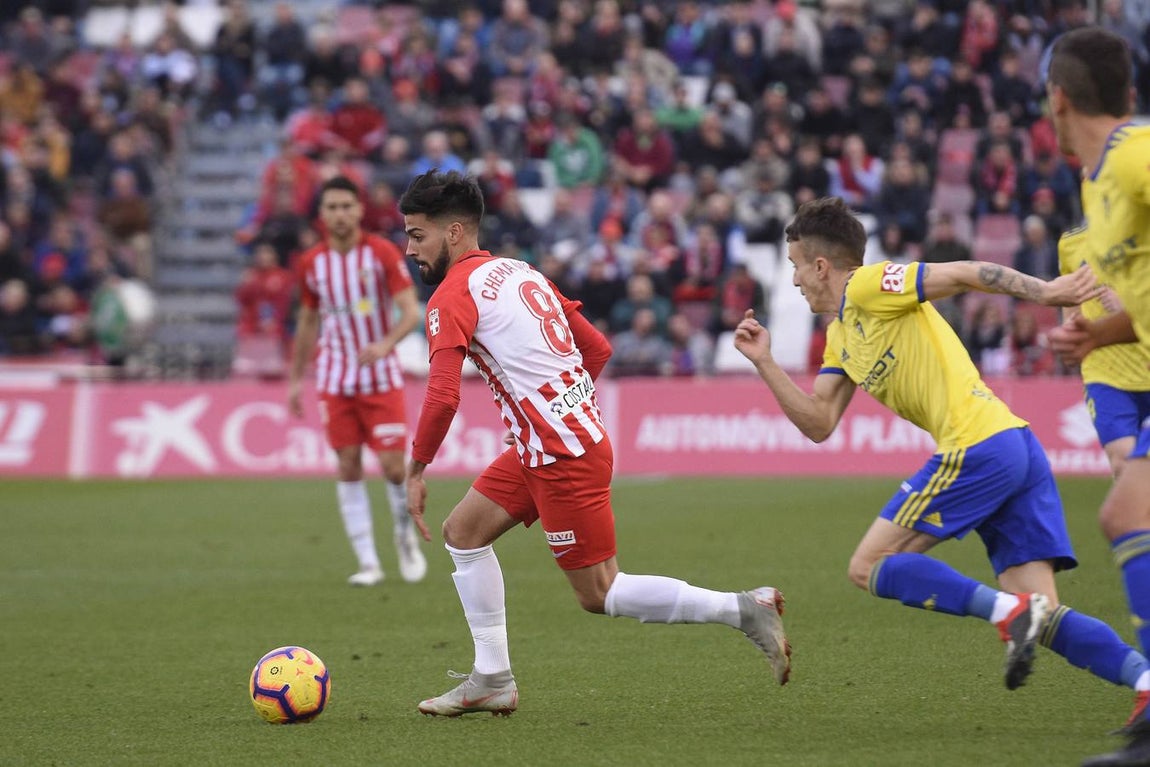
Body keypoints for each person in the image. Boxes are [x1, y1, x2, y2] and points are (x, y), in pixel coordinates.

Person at [733, 197, 1150, 741]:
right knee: (1044, 614)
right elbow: (819, 422)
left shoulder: (868, 285)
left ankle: (1008, 613)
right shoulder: (841, 336)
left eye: (795, 266)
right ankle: (1145, 682)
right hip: (1014, 446)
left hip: (980, 445)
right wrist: (765, 362)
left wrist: (1048, 293)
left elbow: (963, 273)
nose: (792, 281)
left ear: (821, 265)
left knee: (869, 565)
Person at [399, 170, 790, 717]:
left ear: (455, 231)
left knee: (600, 592)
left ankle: (743, 609)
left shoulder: (451, 295)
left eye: (418, 236)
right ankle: (492, 679)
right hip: (553, 443)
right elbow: (598, 348)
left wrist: (416, 470)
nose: (410, 249)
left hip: (561, 455)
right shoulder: (520, 271)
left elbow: (442, 397)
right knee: (463, 533)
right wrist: (557, 408)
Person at [1043, 28, 1150, 765]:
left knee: (1128, 511)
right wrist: (1100, 334)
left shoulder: (1135, 156)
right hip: (1124, 365)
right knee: (1125, 511)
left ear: (1057, 100)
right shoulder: (1099, 180)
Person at [288, 176, 427, 587]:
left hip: (380, 379)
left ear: (359, 210)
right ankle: (368, 562)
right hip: (334, 380)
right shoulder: (312, 262)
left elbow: (410, 312)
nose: (340, 214)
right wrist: (295, 380)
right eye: (332, 207)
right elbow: (308, 321)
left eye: (347, 206)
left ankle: (404, 537)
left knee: (393, 467)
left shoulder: (380, 253)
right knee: (348, 465)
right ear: (321, 214)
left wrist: (386, 344)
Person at [1057, 228, 1150, 478]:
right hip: (1105, 374)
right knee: (1123, 464)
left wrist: (1128, 308)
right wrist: (1071, 329)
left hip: (1146, 365)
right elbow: (1070, 296)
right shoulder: (1070, 243)